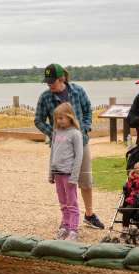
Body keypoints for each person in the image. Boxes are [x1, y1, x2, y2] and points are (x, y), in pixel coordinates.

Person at [35, 63, 105, 229]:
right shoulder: (45, 97)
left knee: (85, 181)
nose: (49, 85)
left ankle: (89, 214)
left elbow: (88, 110)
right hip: (60, 148)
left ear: (63, 79)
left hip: (82, 142)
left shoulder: (78, 91)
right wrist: (55, 135)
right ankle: (66, 220)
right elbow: (38, 120)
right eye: (47, 82)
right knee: (63, 184)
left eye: (52, 82)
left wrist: (85, 128)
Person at [49, 103, 84, 240]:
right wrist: (50, 173)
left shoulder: (75, 134)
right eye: (57, 118)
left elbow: (79, 156)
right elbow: (53, 154)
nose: (59, 121)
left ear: (70, 117)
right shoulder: (56, 133)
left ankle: (73, 230)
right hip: (57, 173)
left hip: (69, 175)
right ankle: (65, 226)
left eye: (62, 118)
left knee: (72, 203)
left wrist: (74, 177)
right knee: (63, 202)